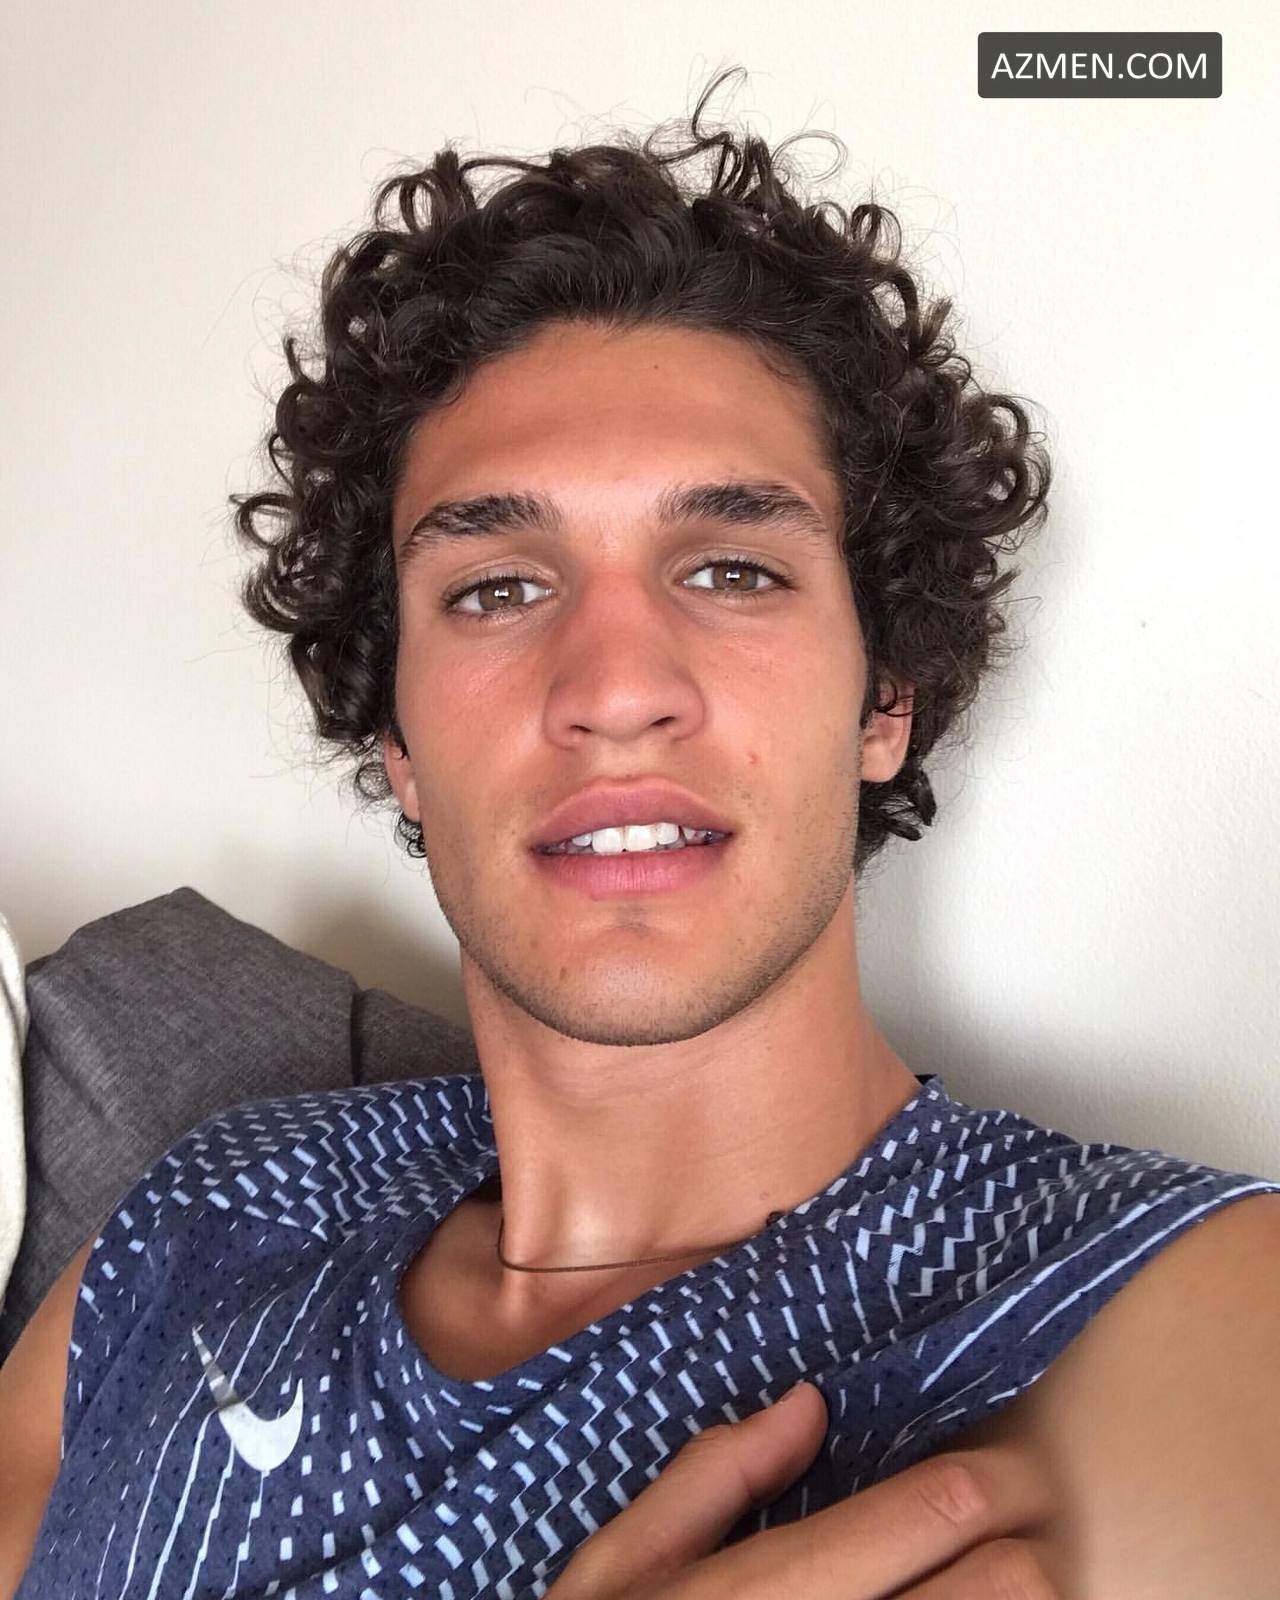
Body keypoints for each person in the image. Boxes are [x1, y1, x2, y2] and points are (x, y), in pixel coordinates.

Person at [4, 68, 1279, 1599]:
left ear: (884, 699)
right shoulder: (213, 1209)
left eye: (734, 570)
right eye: (497, 588)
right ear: (400, 745)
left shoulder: (1150, 1307)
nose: (614, 688)